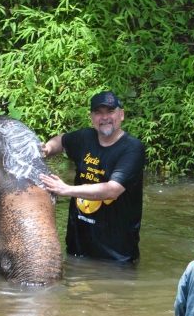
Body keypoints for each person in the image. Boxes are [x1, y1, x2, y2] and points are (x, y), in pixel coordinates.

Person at [39, 91, 145, 262]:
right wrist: (48, 149)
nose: (105, 117)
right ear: (92, 117)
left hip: (116, 256)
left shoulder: (132, 149)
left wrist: (66, 190)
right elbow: (62, 141)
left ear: (122, 114)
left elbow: (112, 190)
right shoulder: (85, 138)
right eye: (98, 113)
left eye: (110, 111)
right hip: (77, 249)